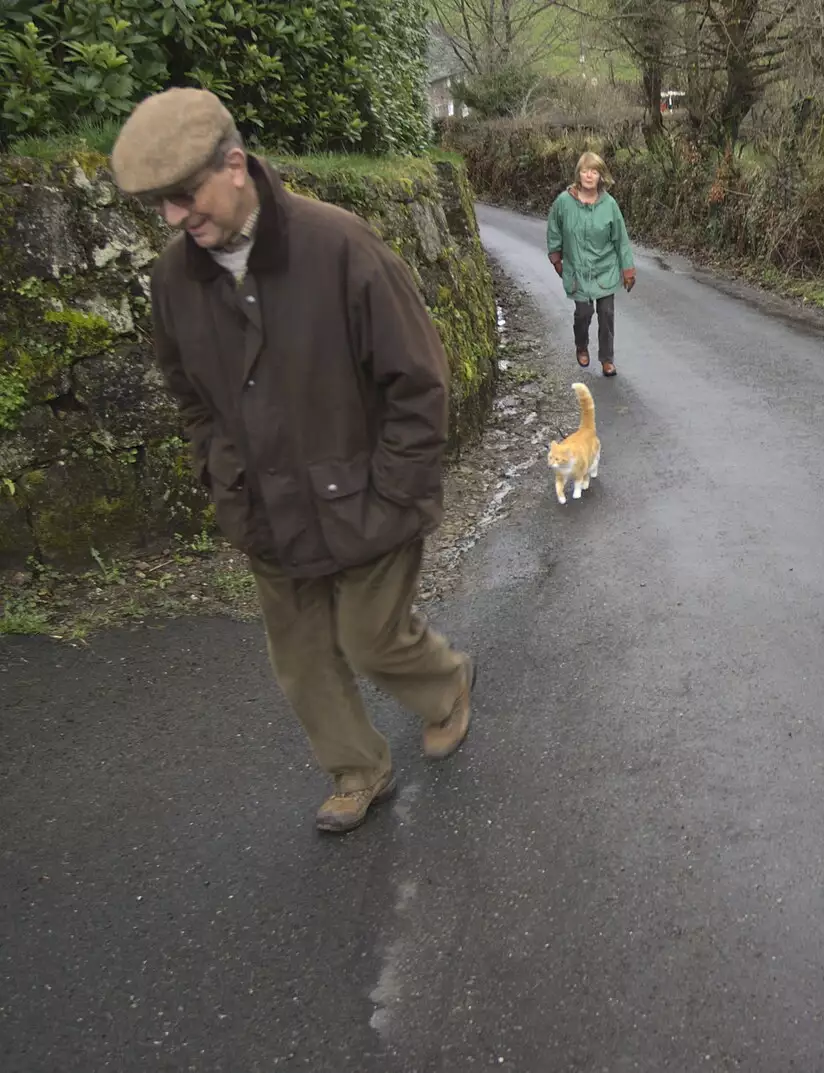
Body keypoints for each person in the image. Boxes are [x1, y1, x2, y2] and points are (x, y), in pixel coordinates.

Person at [110, 88, 476, 834]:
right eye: (161, 207)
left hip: (367, 496)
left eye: (185, 197)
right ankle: (356, 770)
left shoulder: (340, 247)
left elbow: (418, 380)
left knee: (371, 639)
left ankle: (447, 687)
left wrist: (395, 489)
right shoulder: (173, 282)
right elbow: (189, 394)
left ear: (236, 166)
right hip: (264, 509)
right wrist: (221, 472)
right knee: (304, 657)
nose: (176, 220)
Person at [547, 151, 636, 377]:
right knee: (583, 313)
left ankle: (607, 359)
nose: (589, 175)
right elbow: (554, 230)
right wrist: (557, 258)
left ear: (600, 176)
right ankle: (581, 344)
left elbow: (621, 239)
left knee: (606, 313)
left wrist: (628, 270)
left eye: (594, 171)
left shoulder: (610, 205)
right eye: (585, 171)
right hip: (578, 269)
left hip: (605, 268)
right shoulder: (564, 203)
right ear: (579, 174)